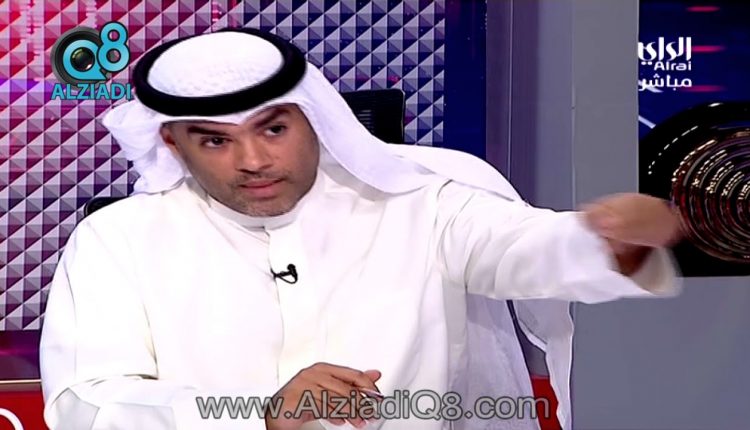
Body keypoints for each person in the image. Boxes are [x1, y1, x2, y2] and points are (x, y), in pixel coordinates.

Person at [39, 28, 683, 430]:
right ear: (173, 144)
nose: (253, 160)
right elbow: (84, 404)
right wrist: (261, 415)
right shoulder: (118, 240)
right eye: (215, 140)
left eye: (273, 128)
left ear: (314, 118)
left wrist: (611, 240)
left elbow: (522, 246)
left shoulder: (420, 203)